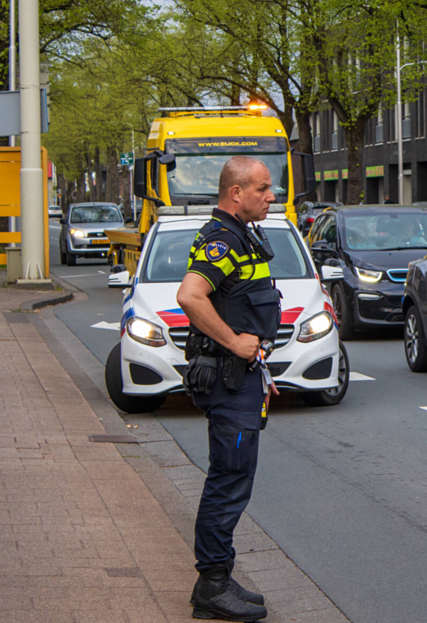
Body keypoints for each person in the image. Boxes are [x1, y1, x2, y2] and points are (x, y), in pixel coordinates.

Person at [176, 156, 279, 622]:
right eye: (262, 188)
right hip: (227, 380)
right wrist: (235, 342)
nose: (270, 196)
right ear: (235, 192)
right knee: (228, 479)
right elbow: (190, 295)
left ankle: (219, 574)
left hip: (242, 378)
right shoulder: (222, 240)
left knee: (235, 478)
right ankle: (211, 586)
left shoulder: (240, 235)